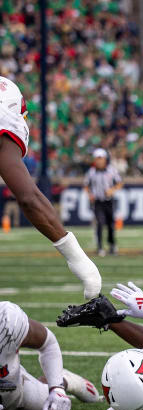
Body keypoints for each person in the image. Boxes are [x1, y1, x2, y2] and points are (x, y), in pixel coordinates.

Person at [0, 76, 101, 299]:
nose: (24, 121)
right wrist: (79, 260)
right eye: (24, 115)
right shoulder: (4, 118)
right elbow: (29, 198)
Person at [0, 301, 99, 410]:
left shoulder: (7, 320)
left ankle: (64, 379)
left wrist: (56, 388)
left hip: (14, 391)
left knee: (52, 404)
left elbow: (48, 343)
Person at [83, 148, 123, 256]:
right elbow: (86, 185)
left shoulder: (111, 170)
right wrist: (90, 194)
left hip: (108, 201)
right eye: (97, 159)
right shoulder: (91, 172)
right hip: (97, 201)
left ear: (105, 159)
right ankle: (100, 247)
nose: (99, 161)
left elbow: (119, 183)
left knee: (110, 224)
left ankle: (112, 245)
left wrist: (112, 190)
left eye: (100, 158)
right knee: (100, 223)